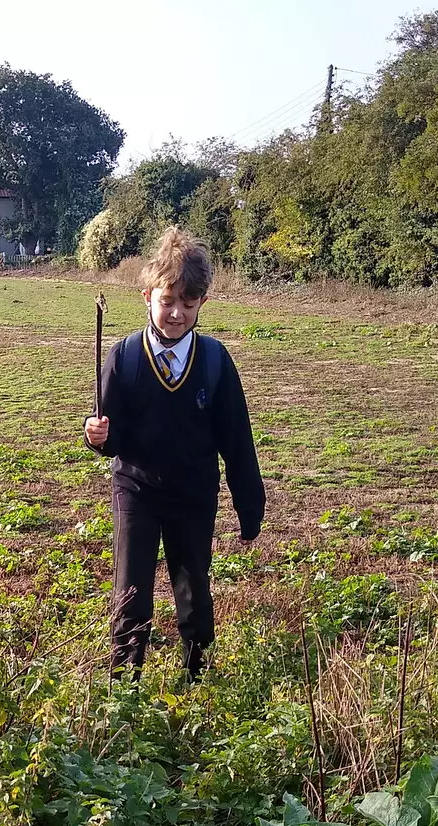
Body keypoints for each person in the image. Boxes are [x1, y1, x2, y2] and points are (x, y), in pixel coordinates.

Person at [84, 227, 265, 680]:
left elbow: (237, 440)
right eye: (167, 301)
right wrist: (96, 436)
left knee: (194, 591)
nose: (177, 313)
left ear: (203, 302)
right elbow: (108, 432)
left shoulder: (215, 362)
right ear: (147, 296)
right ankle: (124, 687)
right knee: (131, 591)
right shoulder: (123, 356)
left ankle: (197, 677)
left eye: (188, 303)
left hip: (193, 494)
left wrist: (250, 507)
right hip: (136, 491)